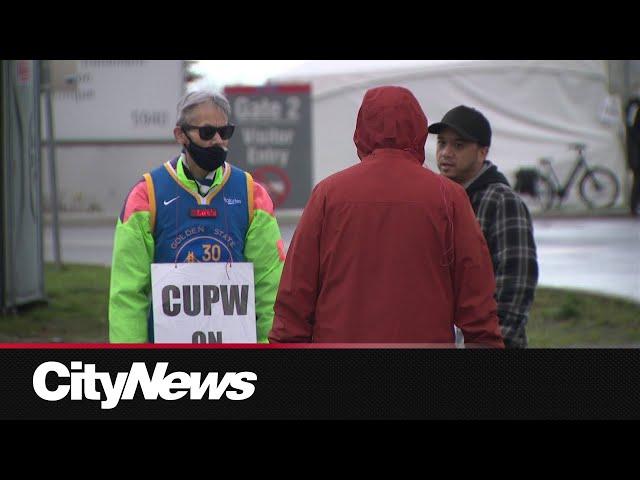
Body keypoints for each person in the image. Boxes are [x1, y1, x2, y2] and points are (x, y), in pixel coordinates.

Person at [269, 86, 503, 347]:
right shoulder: (450, 197)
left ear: (361, 130)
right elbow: (478, 305)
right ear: (418, 128)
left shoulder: (327, 194)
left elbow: (294, 299)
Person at [109, 90, 285, 343]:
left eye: (225, 132)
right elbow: (127, 295)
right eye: (206, 132)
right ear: (180, 134)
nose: (217, 140)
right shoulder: (146, 195)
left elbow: (270, 288)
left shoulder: (252, 194)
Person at [428, 105, 538, 348]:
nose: (445, 153)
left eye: (458, 145)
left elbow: (516, 281)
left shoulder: (501, 201)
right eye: (441, 143)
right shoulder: (438, 199)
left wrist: (496, 341)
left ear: (481, 152)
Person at [625, 96, 640, 216]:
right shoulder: (635, 107)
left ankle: (634, 206)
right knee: (638, 181)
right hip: (636, 154)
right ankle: (634, 207)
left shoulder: (633, 107)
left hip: (635, 153)